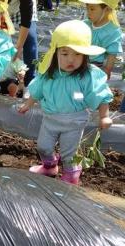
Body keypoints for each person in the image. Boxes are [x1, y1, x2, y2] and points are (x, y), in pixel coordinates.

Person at [18, 20, 113, 185]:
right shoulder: (49, 74)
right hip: (50, 120)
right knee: (43, 147)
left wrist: (104, 116)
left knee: (69, 153)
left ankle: (71, 175)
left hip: (74, 122)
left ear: (85, 55)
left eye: (77, 54)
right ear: (55, 53)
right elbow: (37, 91)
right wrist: (28, 104)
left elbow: (101, 95)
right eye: (65, 53)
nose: (71, 59)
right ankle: (49, 166)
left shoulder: (87, 76)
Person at [79, 0, 123, 80]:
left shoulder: (112, 31)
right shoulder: (85, 24)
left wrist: (107, 70)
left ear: (107, 10)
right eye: (87, 8)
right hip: (79, 61)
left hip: (94, 65)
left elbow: (112, 54)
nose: (88, 12)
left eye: (92, 9)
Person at [8, 0, 38, 88]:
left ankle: (30, 81)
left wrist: (18, 48)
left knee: (30, 38)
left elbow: (26, 18)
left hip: (24, 7)